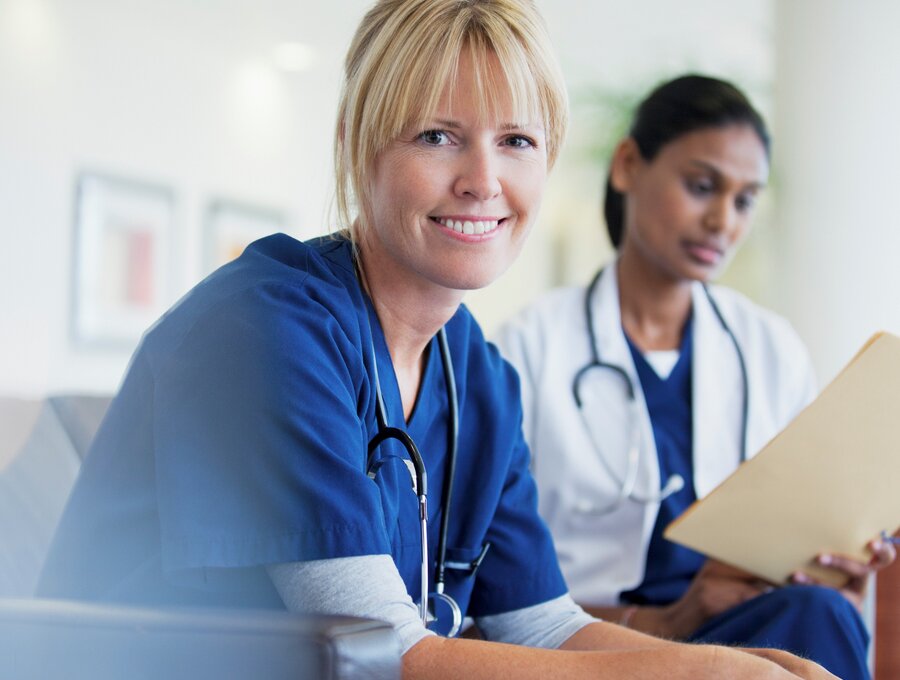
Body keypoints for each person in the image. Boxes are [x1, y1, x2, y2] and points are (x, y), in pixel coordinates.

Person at [39, 4, 836, 677]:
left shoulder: (478, 373)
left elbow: (542, 626)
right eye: (437, 136)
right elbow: (385, 653)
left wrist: (750, 665)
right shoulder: (266, 327)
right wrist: (712, 673)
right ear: (361, 142)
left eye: (517, 141)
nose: (483, 181)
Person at [494, 74, 896, 680]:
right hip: (601, 647)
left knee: (816, 613)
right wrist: (674, 617)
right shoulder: (527, 349)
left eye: (745, 200)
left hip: (750, 631)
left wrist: (838, 562)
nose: (723, 221)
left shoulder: (769, 349)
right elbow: (498, 603)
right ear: (628, 164)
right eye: (702, 186)